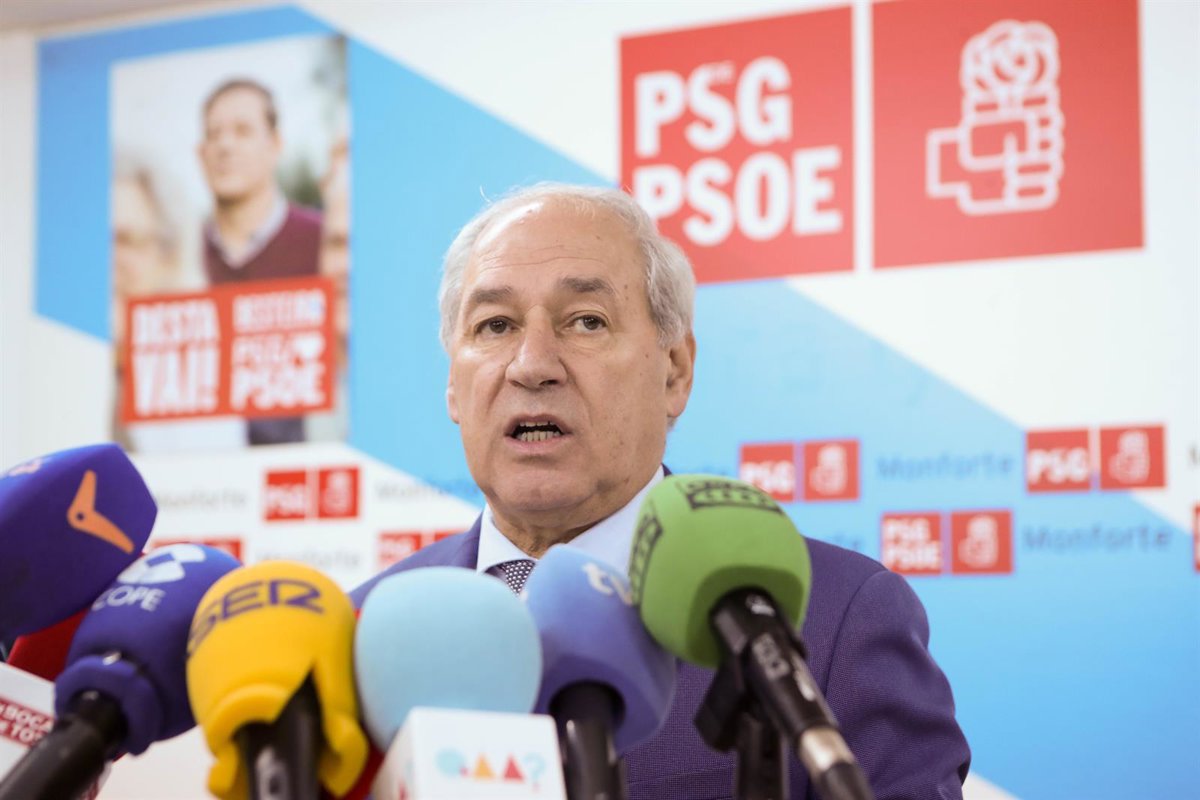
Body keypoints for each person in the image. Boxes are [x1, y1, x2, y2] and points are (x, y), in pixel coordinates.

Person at [351, 183, 970, 799]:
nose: (531, 364)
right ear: (453, 387)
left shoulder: (832, 620)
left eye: (586, 321)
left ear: (675, 370)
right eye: (495, 326)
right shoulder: (358, 636)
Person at [197, 78, 320, 444]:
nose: (225, 145)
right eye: (213, 134)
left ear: (275, 145)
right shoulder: (178, 255)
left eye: (242, 130)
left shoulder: (321, 241)